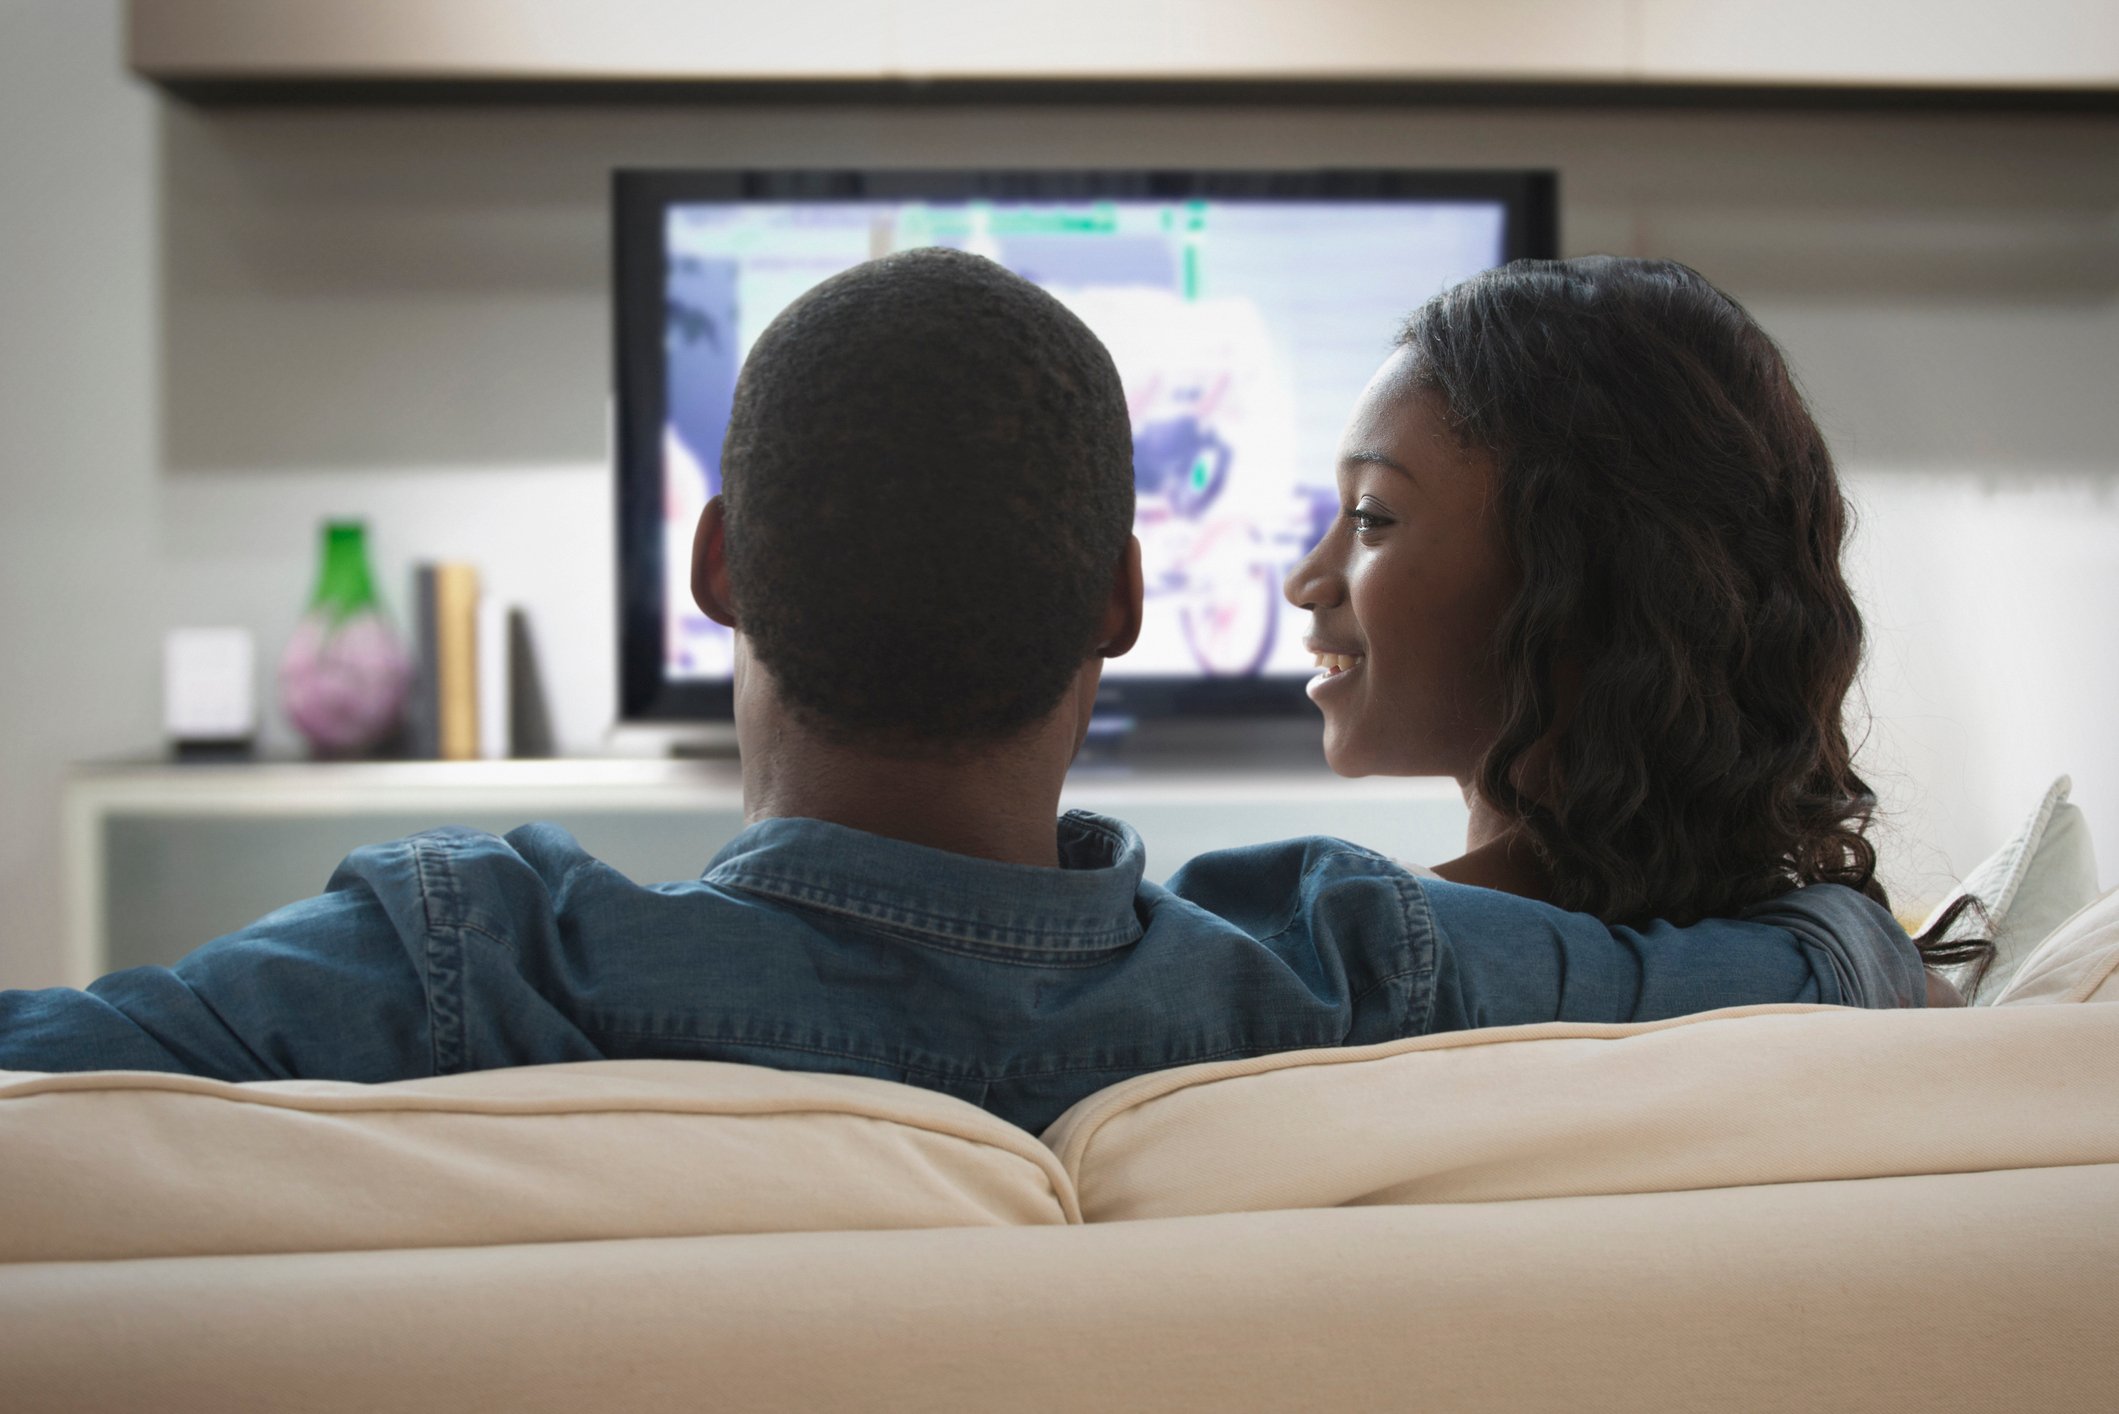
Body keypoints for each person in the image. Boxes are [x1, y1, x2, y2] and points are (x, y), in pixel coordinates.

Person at [0, 249, 1930, 1134]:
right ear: (1114, 600)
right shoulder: (1358, 967)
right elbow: (1807, 972)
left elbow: (56, 1059)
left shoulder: (464, 955)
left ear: (717, 571)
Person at [1284, 254, 1987, 1001]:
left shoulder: (1326, 964)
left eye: (1370, 518)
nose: (1304, 582)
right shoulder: (1876, 983)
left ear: (1585, 577)